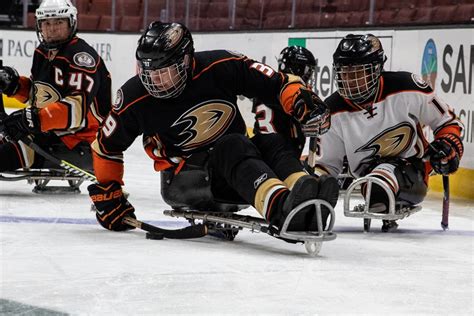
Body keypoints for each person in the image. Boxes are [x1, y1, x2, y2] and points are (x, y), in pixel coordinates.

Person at [87, 21, 339, 236]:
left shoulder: (220, 66)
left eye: (165, 72)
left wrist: (302, 102)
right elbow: (106, 146)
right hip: (185, 179)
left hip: (235, 165)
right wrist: (109, 193)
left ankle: (305, 194)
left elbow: (276, 83)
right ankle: (282, 209)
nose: (156, 82)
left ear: (186, 61)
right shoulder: (134, 96)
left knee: (272, 141)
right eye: (150, 72)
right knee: (234, 144)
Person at [312, 34, 464, 231]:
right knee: (375, 186)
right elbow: (327, 165)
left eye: (358, 72)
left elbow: (447, 121)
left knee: (380, 184)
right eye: (344, 72)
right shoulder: (331, 110)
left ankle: (381, 189)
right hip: (368, 178)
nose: (350, 80)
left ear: (376, 69)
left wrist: (448, 145)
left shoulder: (407, 86)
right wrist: (314, 186)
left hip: (412, 169)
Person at [0, 0, 111, 174]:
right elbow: (42, 96)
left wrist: (32, 119)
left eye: (59, 22)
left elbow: (76, 112)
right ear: (39, 26)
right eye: (46, 23)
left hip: (81, 144)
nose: (52, 28)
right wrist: (14, 85)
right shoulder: (42, 52)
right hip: (50, 135)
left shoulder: (80, 57)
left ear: (71, 23)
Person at [252, 45, 338, 208]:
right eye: (307, 70)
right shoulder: (291, 92)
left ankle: (307, 184)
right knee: (302, 181)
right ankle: (304, 188)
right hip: (278, 154)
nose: (309, 75)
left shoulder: (266, 87)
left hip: (264, 151)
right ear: (296, 68)